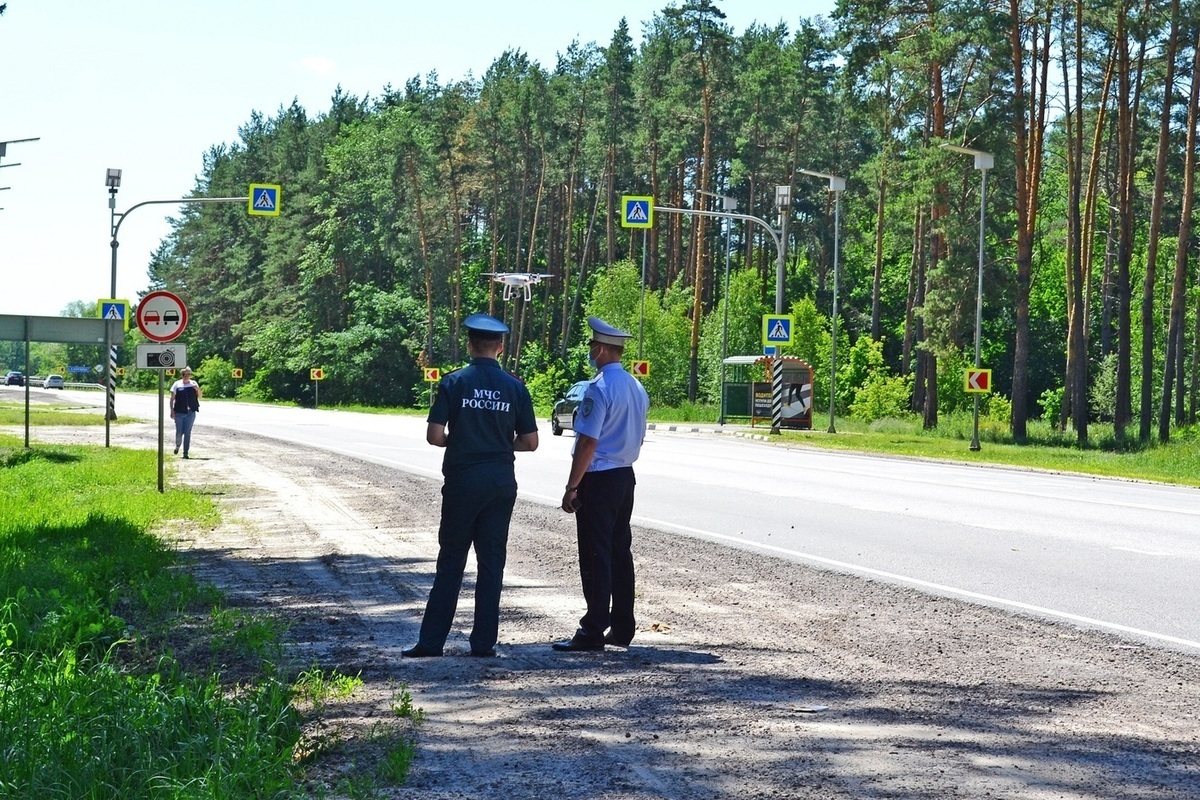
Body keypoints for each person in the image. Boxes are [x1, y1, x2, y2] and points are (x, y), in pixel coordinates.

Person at [403, 313, 539, 658]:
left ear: (469, 345)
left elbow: (435, 436)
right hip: (499, 482)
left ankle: (431, 642)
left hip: (463, 481)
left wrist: (462, 438)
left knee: (451, 561)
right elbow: (531, 442)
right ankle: (483, 644)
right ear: (501, 348)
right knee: (492, 563)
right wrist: (497, 443)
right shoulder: (515, 387)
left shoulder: (454, 382)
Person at [553, 317, 650, 652]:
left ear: (603, 348)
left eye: (593, 346)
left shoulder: (599, 388)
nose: (591, 351)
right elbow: (639, 435)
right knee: (619, 552)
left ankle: (593, 629)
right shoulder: (637, 387)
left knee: (596, 554)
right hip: (625, 476)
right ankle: (622, 626)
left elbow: (587, 443)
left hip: (599, 478)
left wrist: (571, 486)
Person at [169, 366, 202, 458]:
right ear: (181, 375)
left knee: (187, 432)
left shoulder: (193, 383)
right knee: (179, 432)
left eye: (188, 374)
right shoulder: (177, 384)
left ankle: (185, 453)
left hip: (190, 412)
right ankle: (177, 445)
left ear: (190, 375)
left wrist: (197, 389)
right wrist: (172, 410)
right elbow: (172, 399)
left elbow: (200, 396)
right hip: (179, 412)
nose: (186, 376)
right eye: (184, 374)